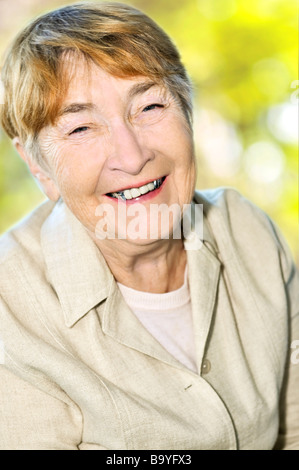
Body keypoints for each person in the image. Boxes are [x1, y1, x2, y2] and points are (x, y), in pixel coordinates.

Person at [0, 2, 298, 451]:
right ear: (39, 168)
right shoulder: (10, 312)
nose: (132, 155)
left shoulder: (246, 231)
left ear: (188, 111)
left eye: (150, 105)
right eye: (81, 128)